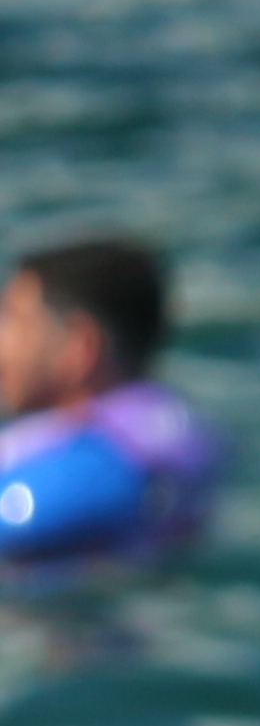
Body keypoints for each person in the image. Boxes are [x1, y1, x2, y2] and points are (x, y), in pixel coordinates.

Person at [0, 234, 224, 572]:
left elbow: (27, 514)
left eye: (13, 320)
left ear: (81, 346)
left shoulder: (96, 466)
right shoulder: (173, 427)